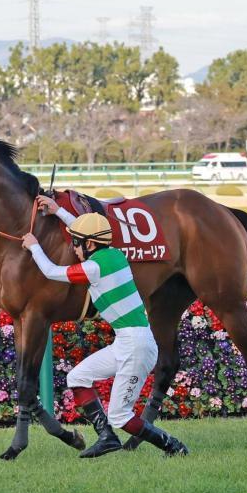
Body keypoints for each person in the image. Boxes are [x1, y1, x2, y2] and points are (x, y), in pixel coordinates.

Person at [20, 194, 188, 458]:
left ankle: (173, 446)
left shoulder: (94, 268)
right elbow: (83, 228)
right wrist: (57, 211)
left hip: (137, 347)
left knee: (120, 415)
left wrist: (34, 246)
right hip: (126, 341)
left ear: (89, 244)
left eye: (77, 243)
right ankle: (106, 437)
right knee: (76, 377)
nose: (74, 248)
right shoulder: (113, 255)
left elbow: (52, 272)